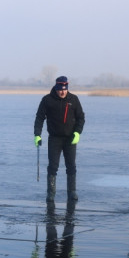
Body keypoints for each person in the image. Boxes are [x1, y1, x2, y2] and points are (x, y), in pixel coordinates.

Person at [34, 76, 85, 204]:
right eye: (60, 90)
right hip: (54, 139)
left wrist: (77, 133)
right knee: (53, 167)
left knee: (71, 166)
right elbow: (39, 118)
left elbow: (81, 118)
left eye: (65, 90)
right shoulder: (47, 100)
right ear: (56, 88)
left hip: (70, 139)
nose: (63, 92)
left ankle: (72, 192)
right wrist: (37, 135)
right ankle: (51, 193)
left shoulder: (74, 99)